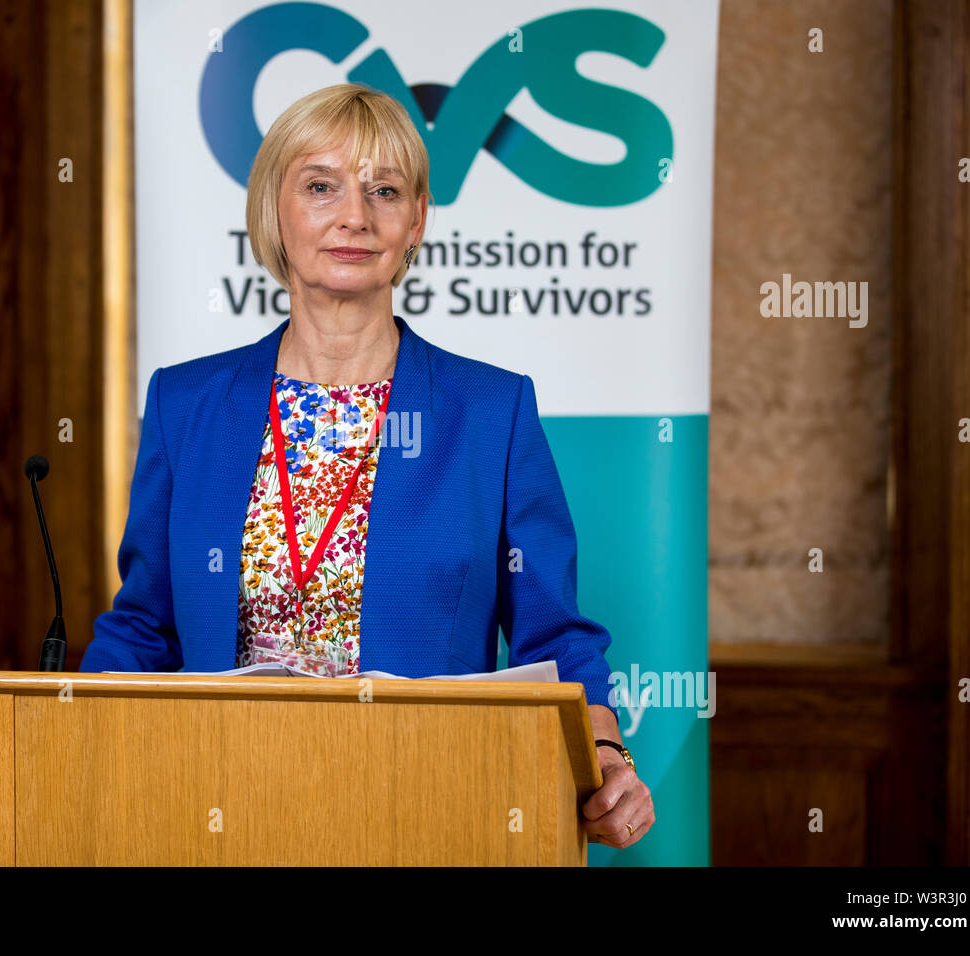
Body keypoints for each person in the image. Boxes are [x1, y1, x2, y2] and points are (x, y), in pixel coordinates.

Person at [80, 83, 653, 849]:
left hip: (430, 811)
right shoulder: (187, 405)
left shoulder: (492, 411)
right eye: (321, 187)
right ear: (274, 210)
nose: (355, 215)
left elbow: (556, 639)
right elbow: (146, 626)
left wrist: (609, 755)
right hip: (216, 806)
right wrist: (64, 731)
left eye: (385, 190)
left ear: (416, 220)